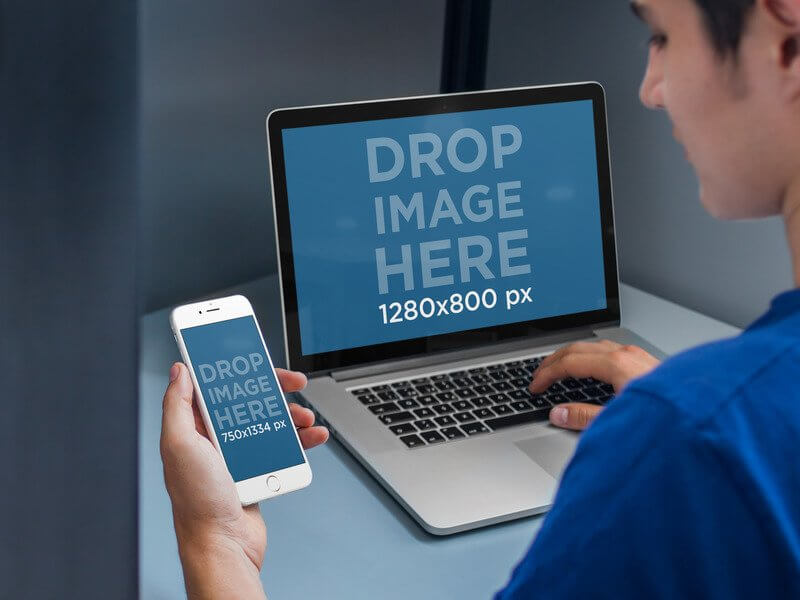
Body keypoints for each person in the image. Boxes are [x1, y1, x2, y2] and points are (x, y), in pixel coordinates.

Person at [160, 0, 800, 596]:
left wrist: (216, 545)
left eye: (662, 36)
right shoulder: (718, 420)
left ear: (786, 27)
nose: (651, 89)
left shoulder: (693, 439)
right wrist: (689, 409)